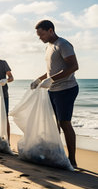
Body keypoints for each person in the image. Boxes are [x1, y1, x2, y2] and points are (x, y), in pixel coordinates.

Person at [31, 20, 79, 167]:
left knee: (64, 123)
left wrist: (52, 79)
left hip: (66, 89)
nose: (40, 38)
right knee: (53, 124)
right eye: (38, 35)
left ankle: (72, 160)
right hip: (53, 89)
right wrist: (40, 79)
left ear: (50, 30)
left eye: (42, 34)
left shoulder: (63, 44)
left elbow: (73, 66)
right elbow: (51, 70)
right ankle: (57, 154)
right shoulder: (49, 47)